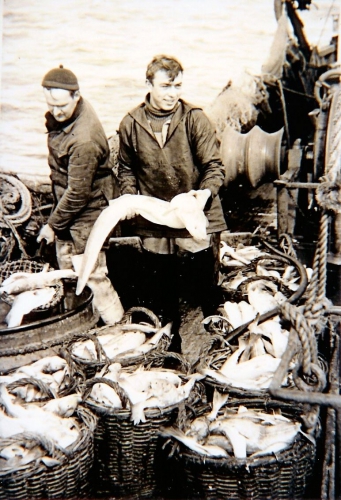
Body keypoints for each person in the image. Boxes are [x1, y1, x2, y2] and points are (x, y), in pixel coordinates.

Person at [117, 54, 227, 348]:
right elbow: (126, 168)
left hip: (192, 212)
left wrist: (203, 194)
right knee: (159, 283)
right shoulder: (130, 123)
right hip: (154, 216)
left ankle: (209, 331)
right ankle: (168, 340)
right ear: (148, 84)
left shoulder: (195, 118)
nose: (173, 93)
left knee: (200, 281)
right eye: (166, 86)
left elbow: (214, 167)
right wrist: (129, 197)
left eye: (178, 86)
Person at [37, 64, 124, 325]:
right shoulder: (71, 114)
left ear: (76, 96)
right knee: (71, 272)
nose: (56, 111)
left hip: (89, 211)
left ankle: (118, 328)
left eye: (62, 105)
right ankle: (81, 321)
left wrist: (52, 226)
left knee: (92, 275)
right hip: (73, 203)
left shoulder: (83, 139)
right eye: (51, 105)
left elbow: (77, 194)